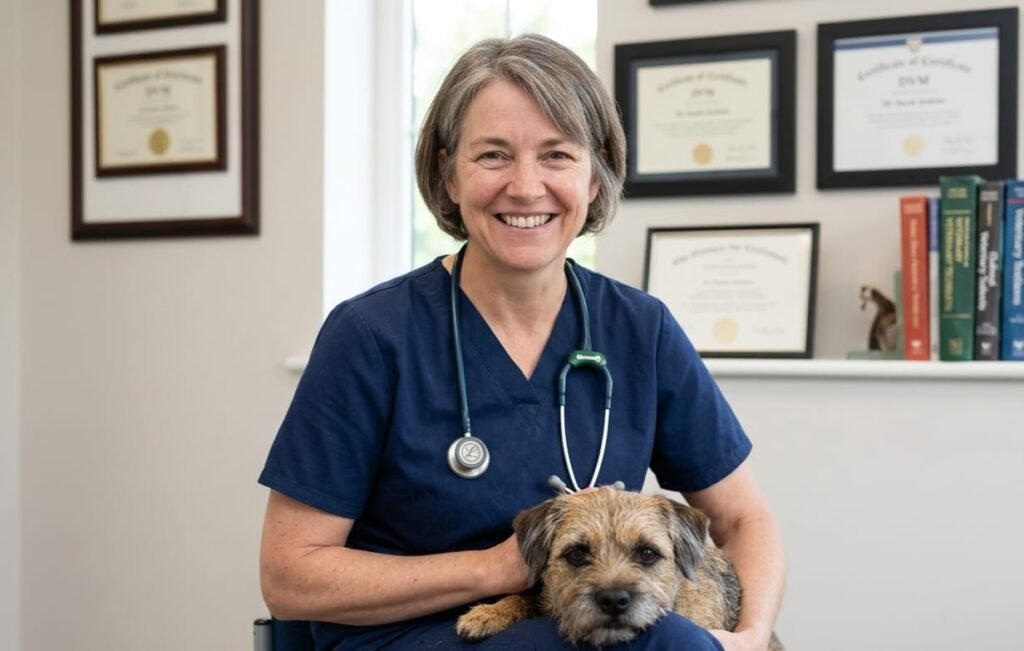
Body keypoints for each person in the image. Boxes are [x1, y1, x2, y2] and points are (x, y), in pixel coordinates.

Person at [258, 34, 785, 651]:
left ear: (596, 177)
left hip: (597, 624)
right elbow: (288, 576)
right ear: (447, 174)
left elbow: (743, 517)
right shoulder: (371, 335)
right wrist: (497, 567)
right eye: (493, 156)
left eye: (557, 155)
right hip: (410, 636)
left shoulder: (641, 328)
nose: (527, 187)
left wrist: (749, 637)